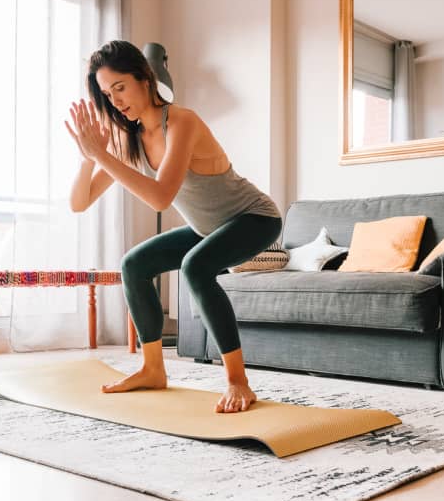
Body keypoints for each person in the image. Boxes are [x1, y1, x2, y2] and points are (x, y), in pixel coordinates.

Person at [65, 40, 282, 413]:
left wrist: (103, 154)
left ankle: (238, 382)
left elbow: (161, 197)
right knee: (134, 265)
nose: (115, 101)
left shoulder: (182, 122)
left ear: (145, 80)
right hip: (207, 226)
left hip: (255, 217)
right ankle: (152, 369)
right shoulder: (128, 138)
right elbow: (80, 203)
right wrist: (89, 158)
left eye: (120, 87)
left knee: (196, 267)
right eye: (106, 93)